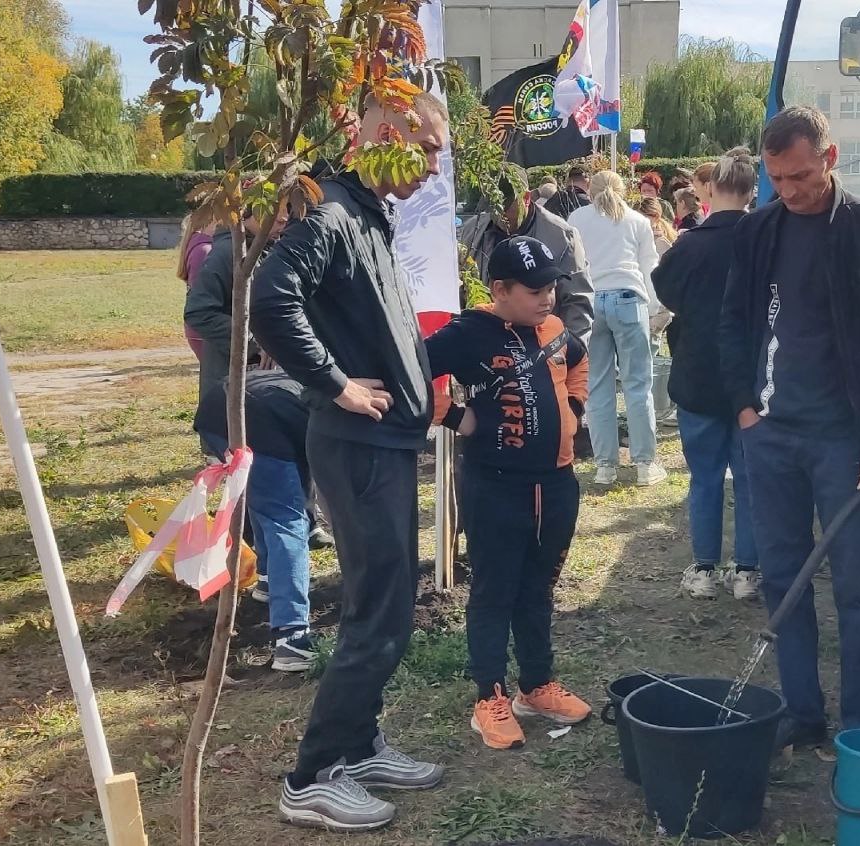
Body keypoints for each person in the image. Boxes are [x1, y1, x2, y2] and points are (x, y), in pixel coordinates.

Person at [250, 91, 450, 832]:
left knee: (390, 606)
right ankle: (313, 777)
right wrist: (334, 384)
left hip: (387, 444)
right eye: (426, 149)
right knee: (377, 614)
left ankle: (358, 744)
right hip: (358, 447)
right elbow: (272, 299)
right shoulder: (331, 210)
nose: (433, 167)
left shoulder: (366, 213)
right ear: (386, 134)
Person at [718, 105, 860, 750]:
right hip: (771, 435)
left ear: (829, 160)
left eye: (801, 176)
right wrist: (745, 410)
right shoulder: (756, 233)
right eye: (777, 179)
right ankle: (801, 712)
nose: (790, 190)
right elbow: (729, 324)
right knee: (783, 578)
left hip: (849, 442)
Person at [426, 235, 592, 750]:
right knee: (495, 590)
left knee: (539, 589)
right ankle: (489, 697)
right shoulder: (469, 333)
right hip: (495, 488)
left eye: (552, 287)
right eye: (536, 289)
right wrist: (453, 416)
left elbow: (581, 359)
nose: (547, 297)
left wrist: (575, 408)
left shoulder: (556, 330)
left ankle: (536, 685)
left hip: (558, 485)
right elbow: (412, 368)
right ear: (500, 289)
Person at [653, 148, 760, 601]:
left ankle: (703, 570)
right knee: (751, 477)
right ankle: (748, 572)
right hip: (753, 381)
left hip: (698, 373)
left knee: (705, 476)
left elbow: (665, 291)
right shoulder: (764, 242)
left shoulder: (690, 244)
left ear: (711, 190)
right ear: (753, 191)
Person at [194, 370, 315, 672]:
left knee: (267, 499)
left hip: (218, 409)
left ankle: (269, 581)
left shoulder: (316, 382)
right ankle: (292, 639)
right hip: (259, 420)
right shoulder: (344, 414)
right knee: (288, 520)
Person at [569, 170, 667, 487]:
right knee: (638, 386)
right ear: (623, 190)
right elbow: (649, 267)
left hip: (593, 302)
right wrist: (657, 310)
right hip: (629, 299)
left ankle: (605, 466)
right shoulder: (637, 221)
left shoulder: (577, 218)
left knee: (597, 387)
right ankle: (644, 464)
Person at [460, 163, 594, 343]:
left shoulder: (562, 236)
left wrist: (572, 353)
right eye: (494, 206)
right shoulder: (472, 232)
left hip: (542, 346)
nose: (500, 214)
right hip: (485, 344)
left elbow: (578, 301)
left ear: (526, 198)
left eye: (506, 206)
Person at [184, 203, 290, 401]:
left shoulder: (269, 249)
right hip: (231, 377)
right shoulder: (227, 253)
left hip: (261, 380)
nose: (283, 219)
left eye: (287, 210)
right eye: (275, 209)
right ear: (250, 211)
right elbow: (199, 312)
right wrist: (257, 342)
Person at [176, 215, 213, 363]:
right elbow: (202, 298)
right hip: (204, 331)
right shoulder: (204, 251)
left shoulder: (202, 247)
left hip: (203, 330)